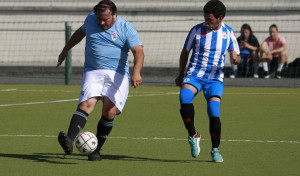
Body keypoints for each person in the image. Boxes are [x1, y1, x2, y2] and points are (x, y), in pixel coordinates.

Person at [56, 0, 144, 161]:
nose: (102, 23)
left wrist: (136, 72)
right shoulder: (90, 19)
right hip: (93, 70)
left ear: (114, 15)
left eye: (106, 19)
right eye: (99, 19)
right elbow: (80, 33)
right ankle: (69, 141)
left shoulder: (126, 28)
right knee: (85, 104)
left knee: (109, 111)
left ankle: (96, 150)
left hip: (117, 73)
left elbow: (138, 51)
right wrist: (65, 49)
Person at [175, 0, 241, 163]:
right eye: (205, 18)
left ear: (220, 18)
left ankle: (215, 150)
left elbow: (237, 58)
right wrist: (181, 73)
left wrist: (235, 59)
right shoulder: (196, 30)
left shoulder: (229, 33)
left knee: (213, 110)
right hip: (195, 74)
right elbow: (185, 53)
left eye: (210, 20)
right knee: (184, 96)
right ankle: (193, 135)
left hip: (214, 79)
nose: (206, 22)